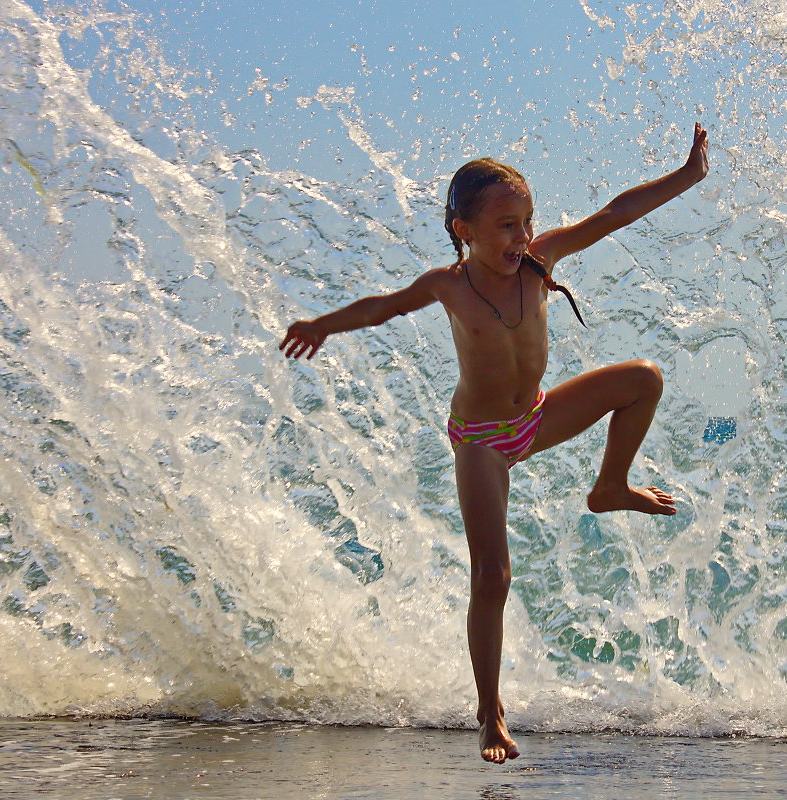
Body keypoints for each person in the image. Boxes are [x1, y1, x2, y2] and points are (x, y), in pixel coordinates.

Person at [280, 123, 709, 763]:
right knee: (493, 576)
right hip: (482, 440)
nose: (522, 236)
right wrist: (322, 324)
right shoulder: (448, 285)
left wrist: (687, 174)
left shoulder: (542, 264)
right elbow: (382, 307)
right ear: (465, 229)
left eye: (527, 221)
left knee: (643, 379)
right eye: (506, 225)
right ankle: (490, 712)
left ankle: (610, 485)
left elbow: (616, 213)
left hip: (537, 415)